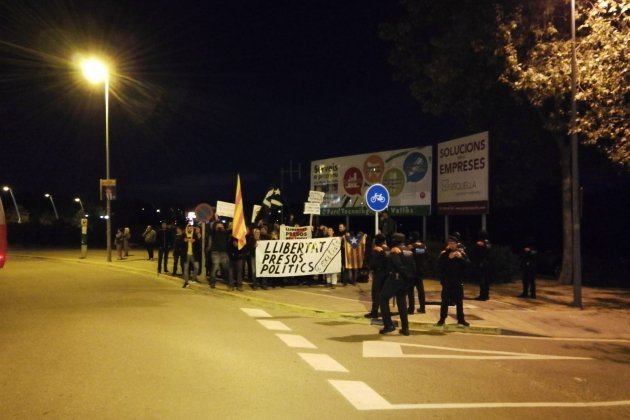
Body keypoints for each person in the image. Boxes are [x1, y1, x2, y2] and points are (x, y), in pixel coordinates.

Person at [379, 233, 413, 336]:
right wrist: (409, 277)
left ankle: (388, 325)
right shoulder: (409, 250)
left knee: (383, 298)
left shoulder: (394, 251)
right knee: (402, 302)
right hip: (406, 280)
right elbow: (413, 266)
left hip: (396, 278)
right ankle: (405, 328)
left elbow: (397, 265)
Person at [436, 235, 470, 327]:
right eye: (449, 243)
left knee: (459, 301)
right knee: (445, 301)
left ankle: (461, 319)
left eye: (453, 243)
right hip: (447, 280)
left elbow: (468, 265)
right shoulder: (444, 253)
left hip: (458, 280)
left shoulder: (461, 253)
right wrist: (448, 258)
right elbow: (439, 265)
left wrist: (461, 258)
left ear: (457, 244)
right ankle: (442, 319)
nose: (451, 245)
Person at [364, 234, 388, 319]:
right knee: (384, 294)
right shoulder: (387, 249)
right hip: (387, 274)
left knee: (376, 293)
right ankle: (385, 312)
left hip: (378, 273)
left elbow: (372, 263)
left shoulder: (377, 250)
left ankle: (374, 312)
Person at [406, 231, 427, 314]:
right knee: (421, 290)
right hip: (420, 271)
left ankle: (411, 309)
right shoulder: (423, 246)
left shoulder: (411, 247)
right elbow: (426, 256)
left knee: (410, 291)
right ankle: (422, 308)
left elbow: (407, 256)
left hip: (412, 271)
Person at [469, 230, 492, 301]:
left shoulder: (482, 243)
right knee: (486, 280)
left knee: (482, 279)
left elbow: (478, 254)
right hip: (487, 263)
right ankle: (486, 295)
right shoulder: (488, 243)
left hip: (482, 263)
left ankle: (483, 295)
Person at [208, 220, 230, 289]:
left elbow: (230, 229)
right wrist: (216, 220)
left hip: (224, 252)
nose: (221, 226)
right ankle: (212, 282)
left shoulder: (225, 232)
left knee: (226, 267)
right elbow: (211, 229)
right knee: (215, 267)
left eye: (222, 225)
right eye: (219, 225)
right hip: (215, 252)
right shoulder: (214, 232)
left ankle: (227, 280)